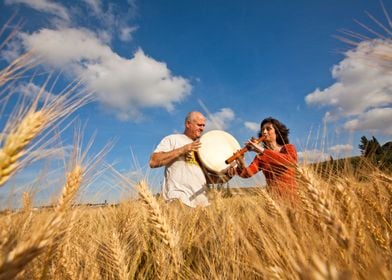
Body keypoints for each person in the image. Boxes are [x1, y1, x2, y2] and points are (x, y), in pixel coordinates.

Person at [149, 111, 210, 208]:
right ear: (188, 124)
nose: (202, 128)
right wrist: (183, 149)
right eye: (199, 125)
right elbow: (153, 161)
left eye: (203, 125)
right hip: (179, 200)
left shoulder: (202, 148)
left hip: (202, 204)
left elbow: (207, 179)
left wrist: (229, 174)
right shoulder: (173, 139)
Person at [228, 117, 298, 199]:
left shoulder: (288, 148)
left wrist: (262, 150)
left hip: (292, 198)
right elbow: (247, 173)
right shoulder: (260, 157)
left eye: (268, 129)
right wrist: (241, 163)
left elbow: (291, 161)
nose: (264, 132)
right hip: (274, 200)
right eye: (263, 130)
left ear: (277, 132)